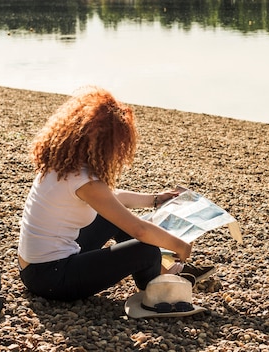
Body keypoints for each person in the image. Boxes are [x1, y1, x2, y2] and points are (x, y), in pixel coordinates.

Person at [17, 87, 214, 301]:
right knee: (146, 250)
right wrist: (180, 246)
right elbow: (139, 230)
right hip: (52, 279)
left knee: (114, 219)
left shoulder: (61, 163)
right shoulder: (85, 181)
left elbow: (111, 198)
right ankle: (157, 284)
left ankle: (162, 272)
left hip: (36, 269)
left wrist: (155, 199)